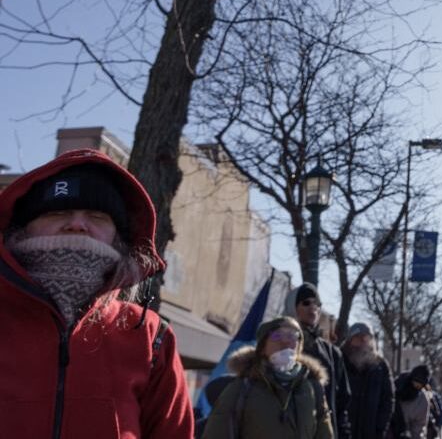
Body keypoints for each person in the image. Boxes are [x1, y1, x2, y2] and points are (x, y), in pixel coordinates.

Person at [0, 148, 193, 438]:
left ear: (118, 236)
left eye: (96, 215)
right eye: (58, 211)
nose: (77, 224)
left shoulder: (151, 336)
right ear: (23, 228)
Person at [203, 316, 334, 439]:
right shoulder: (242, 388)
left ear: (299, 347)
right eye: (277, 336)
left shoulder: (313, 389)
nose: (286, 341)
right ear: (262, 348)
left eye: (293, 336)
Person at [290, 282, 354, 439]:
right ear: (294, 308)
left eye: (317, 303)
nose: (313, 307)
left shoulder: (332, 353)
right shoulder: (281, 343)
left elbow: (342, 400)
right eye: (306, 302)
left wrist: (343, 432)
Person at [341, 322, 395, 439]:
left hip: (371, 433)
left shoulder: (381, 366)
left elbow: (388, 400)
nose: (362, 342)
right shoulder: (340, 361)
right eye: (358, 338)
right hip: (343, 430)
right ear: (350, 340)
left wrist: (380, 429)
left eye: (366, 338)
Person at [392, 364, 433, 439]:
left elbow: (419, 427)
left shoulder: (422, 401)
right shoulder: (395, 386)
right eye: (417, 381)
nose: (418, 386)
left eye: (421, 384)